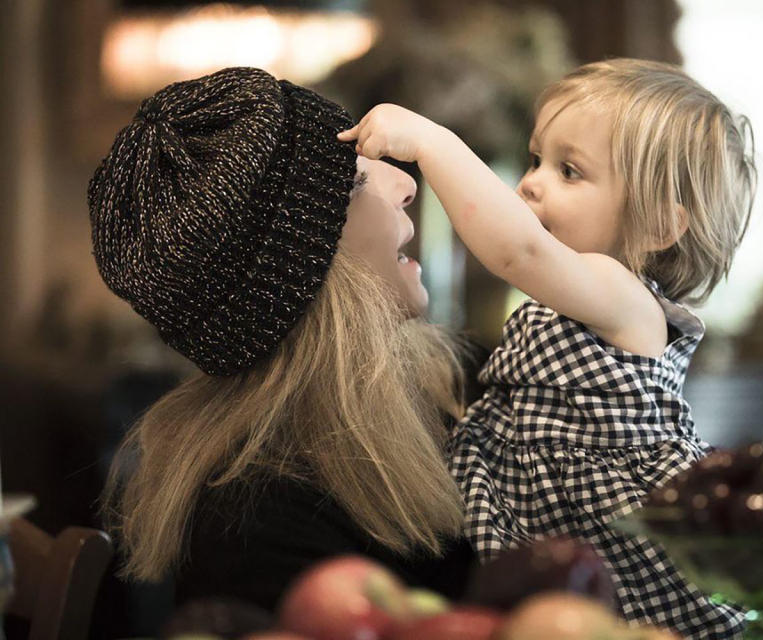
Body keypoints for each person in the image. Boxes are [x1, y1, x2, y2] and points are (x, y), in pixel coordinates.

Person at [339, 59, 763, 638]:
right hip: (544, 520)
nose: (532, 182)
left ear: (660, 225)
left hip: (618, 534)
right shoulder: (576, 300)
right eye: (536, 160)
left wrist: (433, 144)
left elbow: (520, 252)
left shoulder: (627, 299)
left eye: (569, 171)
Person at [89, 67, 476, 612]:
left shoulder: (455, 382)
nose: (407, 182)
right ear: (302, 271)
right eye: (357, 178)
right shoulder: (262, 526)